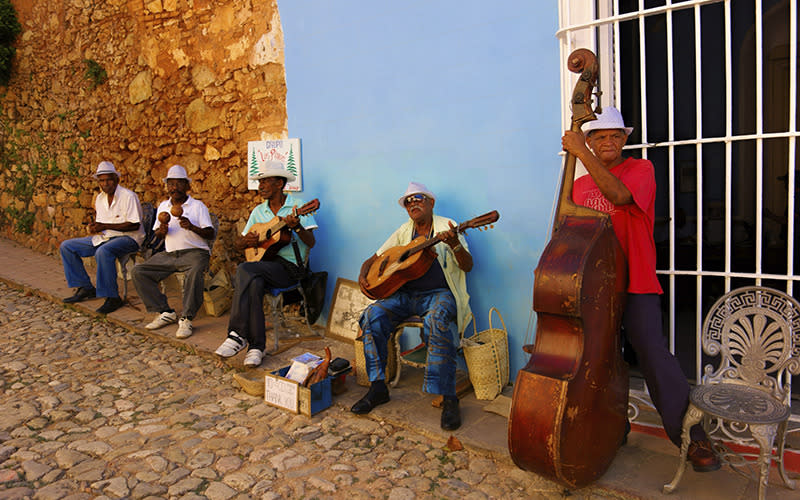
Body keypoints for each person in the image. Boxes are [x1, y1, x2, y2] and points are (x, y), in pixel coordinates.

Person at [561, 106, 720, 472]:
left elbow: (617, 196)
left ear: (625, 140)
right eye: (599, 136)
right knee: (595, 359)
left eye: (615, 136)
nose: (608, 142)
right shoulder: (579, 186)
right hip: (594, 287)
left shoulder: (641, 170)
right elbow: (567, 232)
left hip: (636, 281)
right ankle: (607, 427)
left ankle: (690, 437)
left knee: (653, 353)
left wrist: (580, 152)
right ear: (589, 139)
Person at [352, 182, 473, 431]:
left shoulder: (448, 226)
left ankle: (449, 398)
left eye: (418, 198)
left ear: (431, 202)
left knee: (438, 320)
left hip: (438, 294)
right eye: (407, 201)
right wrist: (364, 276)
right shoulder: (403, 231)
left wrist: (454, 245)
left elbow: (468, 265)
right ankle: (377, 388)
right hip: (404, 296)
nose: (412, 204)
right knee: (372, 315)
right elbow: (374, 259)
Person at [214, 162, 318, 367]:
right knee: (254, 282)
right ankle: (256, 347)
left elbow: (311, 242)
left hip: (290, 268)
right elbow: (238, 243)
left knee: (245, 269)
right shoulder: (258, 211)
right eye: (259, 182)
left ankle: (237, 334)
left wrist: (297, 227)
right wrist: (247, 242)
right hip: (264, 265)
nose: (260, 186)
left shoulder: (298, 206)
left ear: (279, 183)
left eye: (265, 181)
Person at [131, 165, 215, 339]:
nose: (174, 187)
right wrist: (163, 228)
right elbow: (158, 235)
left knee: (195, 271)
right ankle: (165, 312)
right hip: (170, 254)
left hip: (195, 253)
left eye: (179, 183)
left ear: (187, 186)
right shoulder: (163, 206)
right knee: (139, 271)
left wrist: (191, 227)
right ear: (167, 187)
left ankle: (187, 318)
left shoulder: (197, 206)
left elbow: (210, 233)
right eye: (171, 184)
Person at [60, 161, 144, 315]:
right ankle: (85, 287)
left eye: (109, 179)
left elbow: (134, 225)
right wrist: (95, 227)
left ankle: (112, 297)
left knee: (103, 252)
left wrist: (104, 226)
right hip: (106, 237)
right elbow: (102, 224)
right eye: (102, 180)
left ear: (117, 179)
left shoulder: (128, 196)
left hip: (129, 239)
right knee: (67, 246)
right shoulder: (100, 198)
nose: (105, 183)